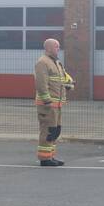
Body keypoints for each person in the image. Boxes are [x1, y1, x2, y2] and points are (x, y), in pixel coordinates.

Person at [34, 38, 70, 166]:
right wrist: (47, 100)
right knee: (48, 131)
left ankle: (50, 156)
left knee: (55, 131)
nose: (58, 49)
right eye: (56, 46)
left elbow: (62, 80)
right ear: (48, 48)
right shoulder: (42, 62)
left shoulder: (56, 63)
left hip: (57, 105)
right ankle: (44, 159)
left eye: (58, 46)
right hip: (48, 106)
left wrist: (69, 84)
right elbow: (41, 83)